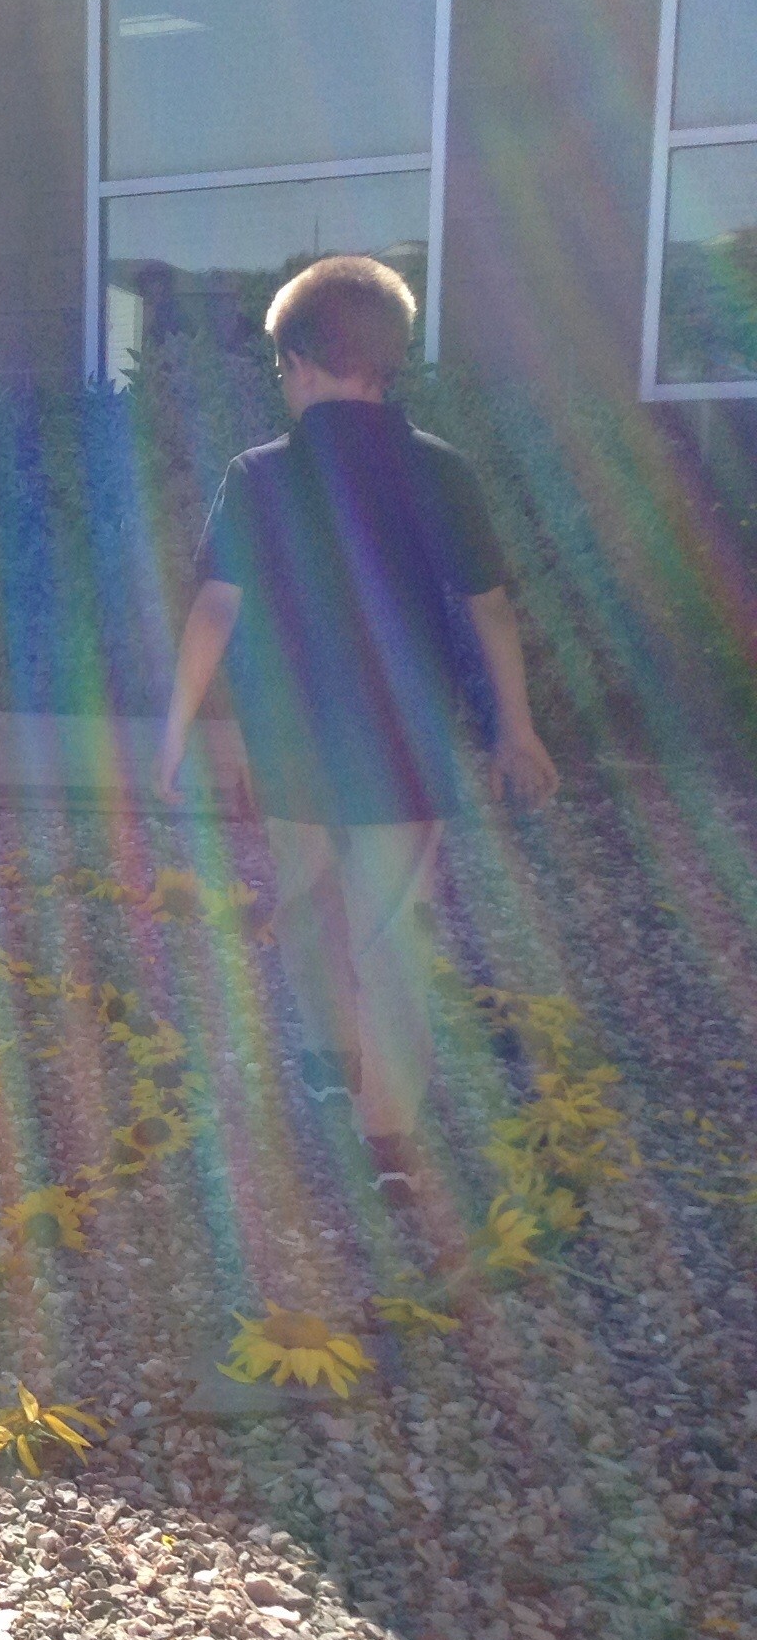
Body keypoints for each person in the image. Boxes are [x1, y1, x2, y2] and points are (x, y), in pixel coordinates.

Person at [155, 255, 558, 1204]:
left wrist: (176, 732)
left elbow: (215, 609)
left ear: (298, 362)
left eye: (280, 368)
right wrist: (517, 729)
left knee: (305, 903)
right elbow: (490, 607)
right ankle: (390, 1136)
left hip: (290, 747)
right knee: (392, 932)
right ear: (388, 359)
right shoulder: (441, 470)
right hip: (403, 748)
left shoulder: (259, 474)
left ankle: (330, 1055)